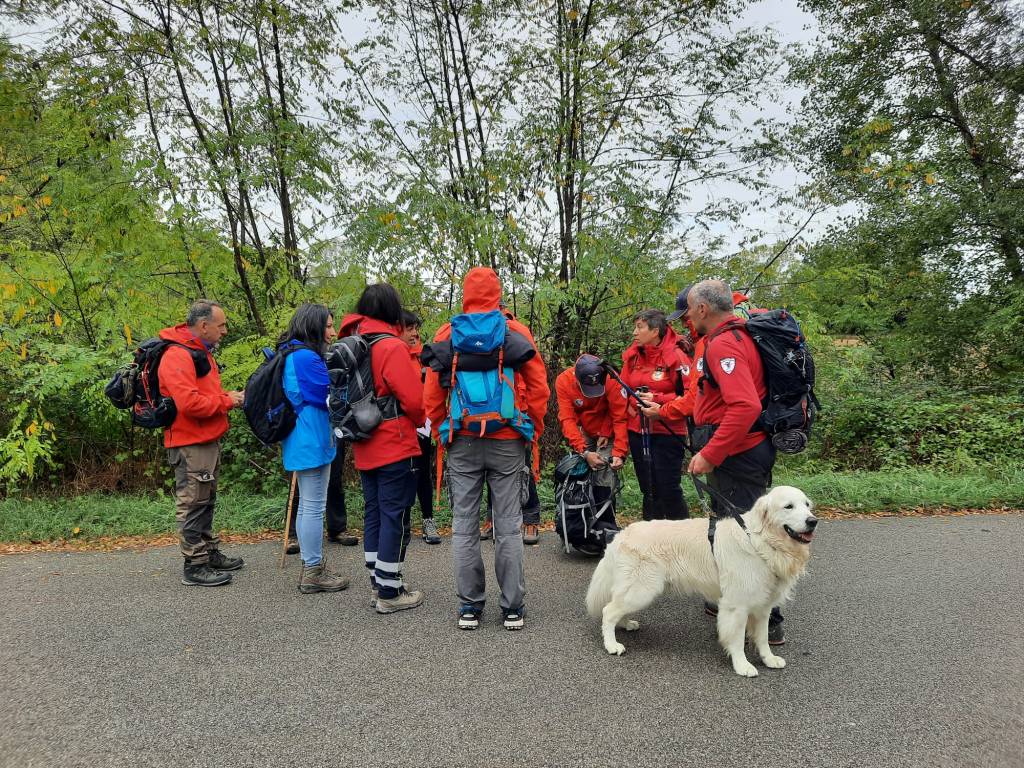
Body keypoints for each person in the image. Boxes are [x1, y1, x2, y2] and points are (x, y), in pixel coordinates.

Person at [423, 267, 549, 631]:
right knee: (508, 526)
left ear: (465, 294)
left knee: (463, 526)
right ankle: (512, 609)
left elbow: (432, 392)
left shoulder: (448, 333)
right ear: (498, 293)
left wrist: (440, 430)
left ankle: (469, 608)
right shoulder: (514, 332)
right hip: (508, 439)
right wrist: (532, 429)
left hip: (461, 440)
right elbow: (539, 388)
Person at [676, 279, 785, 645]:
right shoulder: (735, 337)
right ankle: (730, 601)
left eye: (690, 310)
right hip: (740, 450)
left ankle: (767, 624)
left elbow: (745, 405)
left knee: (748, 537)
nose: (688, 317)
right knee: (734, 533)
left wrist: (710, 453)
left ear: (703, 309)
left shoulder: (724, 344)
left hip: (738, 453)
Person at [342, 284, 426, 614]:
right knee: (395, 514)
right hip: (394, 442)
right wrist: (418, 419)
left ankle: (379, 581)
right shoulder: (390, 347)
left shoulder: (353, 343)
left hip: (364, 444)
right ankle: (390, 594)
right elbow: (414, 401)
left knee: (375, 512)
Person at [158, 300, 245, 587]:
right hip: (189, 442)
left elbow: (202, 393)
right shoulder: (177, 355)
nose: (225, 331)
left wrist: (225, 397)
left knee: (205, 498)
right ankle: (194, 565)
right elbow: (189, 403)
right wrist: (227, 401)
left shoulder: (198, 351)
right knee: (193, 501)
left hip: (204, 439)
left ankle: (207, 552)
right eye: (221, 325)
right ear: (203, 325)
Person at [278, 303, 350, 594]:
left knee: (310, 504)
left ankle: (313, 566)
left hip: (303, 435)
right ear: (314, 326)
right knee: (313, 506)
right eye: (329, 326)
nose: (332, 332)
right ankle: (313, 570)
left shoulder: (293, 353)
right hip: (311, 437)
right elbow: (327, 395)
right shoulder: (306, 357)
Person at [619, 309, 691, 521]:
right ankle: (650, 539)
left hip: (668, 430)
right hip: (638, 429)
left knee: (668, 487)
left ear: (655, 331)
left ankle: (682, 539)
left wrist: (657, 399)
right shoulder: (633, 356)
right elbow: (622, 390)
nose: (634, 332)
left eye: (640, 327)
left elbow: (690, 395)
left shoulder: (676, 355)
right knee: (648, 489)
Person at [554, 354, 629, 542]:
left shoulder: (611, 379)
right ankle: (580, 524)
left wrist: (619, 453)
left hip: (608, 426)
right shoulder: (564, 381)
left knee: (604, 474)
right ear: (577, 379)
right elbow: (567, 419)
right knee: (580, 471)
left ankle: (606, 525)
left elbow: (619, 416)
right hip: (583, 429)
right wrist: (584, 451)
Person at [400, 310, 441, 545]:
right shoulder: (393, 354)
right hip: (399, 424)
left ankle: (428, 520)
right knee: (403, 473)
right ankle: (403, 521)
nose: (415, 333)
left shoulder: (424, 354)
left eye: (416, 327)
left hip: (423, 423)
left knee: (423, 472)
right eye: (409, 328)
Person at [286, 444, 359, 555]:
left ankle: (337, 529)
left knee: (334, 481)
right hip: (301, 436)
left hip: (330, 435)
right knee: (298, 485)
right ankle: (293, 534)